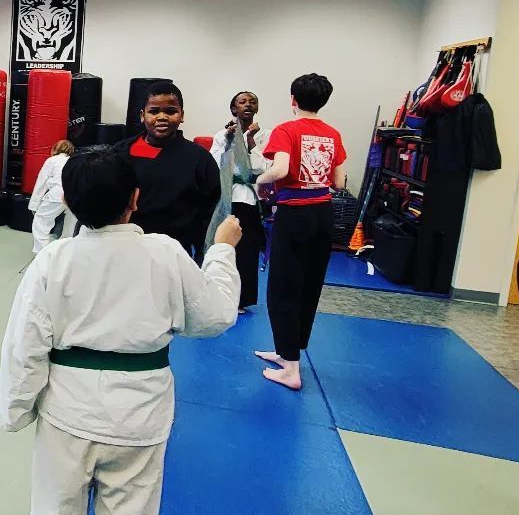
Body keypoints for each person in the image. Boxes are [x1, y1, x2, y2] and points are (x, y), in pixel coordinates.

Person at [0, 148, 241, 515]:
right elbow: (214, 316)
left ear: (69, 204)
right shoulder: (164, 253)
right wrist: (221, 252)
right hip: (140, 417)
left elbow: (26, 344)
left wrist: (16, 410)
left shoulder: (54, 259)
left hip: (67, 416)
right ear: (135, 198)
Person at [253, 74, 346, 391]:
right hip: (323, 214)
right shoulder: (333, 134)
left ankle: (291, 369)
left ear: (293, 98)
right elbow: (341, 182)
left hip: (294, 214)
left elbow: (279, 170)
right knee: (307, 284)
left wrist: (259, 183)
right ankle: (287, 352)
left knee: (282, 286)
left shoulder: (286, 130)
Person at [116, 81, 220, 259]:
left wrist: (204, 254)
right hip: (124, 249)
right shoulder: (120, 153)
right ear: (142, 115)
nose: (162, 117)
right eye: (154, 111)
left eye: (171, 111)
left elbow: (210, 213)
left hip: (176, 254)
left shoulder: (199, 159)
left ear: (182, 115)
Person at [210, 91, 270, 312]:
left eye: (252, 101)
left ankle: (241, 300)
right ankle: (217, 292)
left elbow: (262, 168)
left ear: (257, 109)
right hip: (226, 196)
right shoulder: (222, 135)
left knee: (247, 249)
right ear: (233, 109)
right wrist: (228, 140)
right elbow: (215, 164)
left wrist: (251, 141)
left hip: (250, 198)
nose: (247, 105)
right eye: (242, 102)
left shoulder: (266, 135)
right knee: (222, 246)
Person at [28, 140, 76, 253]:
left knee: (41, 220)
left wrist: (34, 205)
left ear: (55, 149)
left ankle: (43, 253)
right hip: (75, 195)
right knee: (70, 225)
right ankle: (65, 251)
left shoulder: (52, 161)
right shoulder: (74, 161)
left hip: (58, 195)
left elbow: (41, 183)